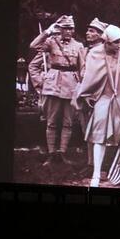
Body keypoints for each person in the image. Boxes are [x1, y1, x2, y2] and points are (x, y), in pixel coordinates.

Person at [74, 25, 120, 187]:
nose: (119, 45)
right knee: (99, 135)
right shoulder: (95, 54)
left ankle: (118, 171)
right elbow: (89, 79)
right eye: (116, 42)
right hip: (104, 98)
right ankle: (96, 174)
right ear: (106, 42)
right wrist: (87, 95)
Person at [28, 15, 86, 164]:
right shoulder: (51, 42)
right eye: (65, 28)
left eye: (71, 28)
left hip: (71, 86)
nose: (68, 31)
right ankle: (52, 153)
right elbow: (33, 46)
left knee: (68, 122)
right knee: (51, 121)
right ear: (60, 29)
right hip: (53, 85)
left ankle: (62, 153)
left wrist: (82, 87)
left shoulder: (79, 46)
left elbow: (82, 68)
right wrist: (47, 32)